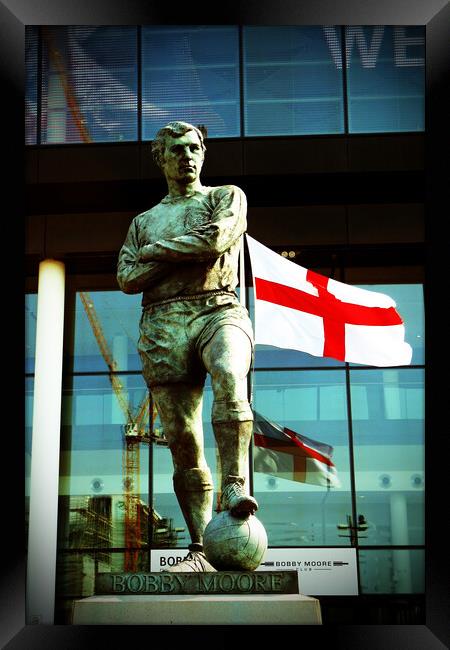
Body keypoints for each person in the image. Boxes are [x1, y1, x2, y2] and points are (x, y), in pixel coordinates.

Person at [117, 121, 258, 571]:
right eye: (176, 149)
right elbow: (126, 278)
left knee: (231, 375)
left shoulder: (226, 196)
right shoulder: (143, 222)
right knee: (182, 441)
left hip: (218, 307)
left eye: (194, 147)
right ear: (160, 158)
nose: (187, 156)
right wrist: (181, 252)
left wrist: (155, 253)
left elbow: (217, 238)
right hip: (162, 322)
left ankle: (234, 482)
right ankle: (199, 547)